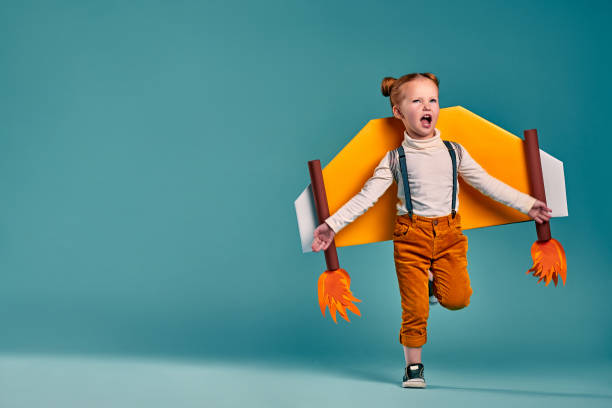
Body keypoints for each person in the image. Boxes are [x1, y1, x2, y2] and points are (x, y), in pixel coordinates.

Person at [311, 73, 552, 388]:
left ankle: (430, 283)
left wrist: (528, 205)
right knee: (414, 309)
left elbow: (487, 183)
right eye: (417, 101)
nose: (427, 106)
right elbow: (366, 197)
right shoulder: (395, 158)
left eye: (433, 100)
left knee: (458, 299)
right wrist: (331, 225)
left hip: (450, 235)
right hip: (410, 238)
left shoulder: (454, 152)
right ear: (398, 113)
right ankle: (414, 369)